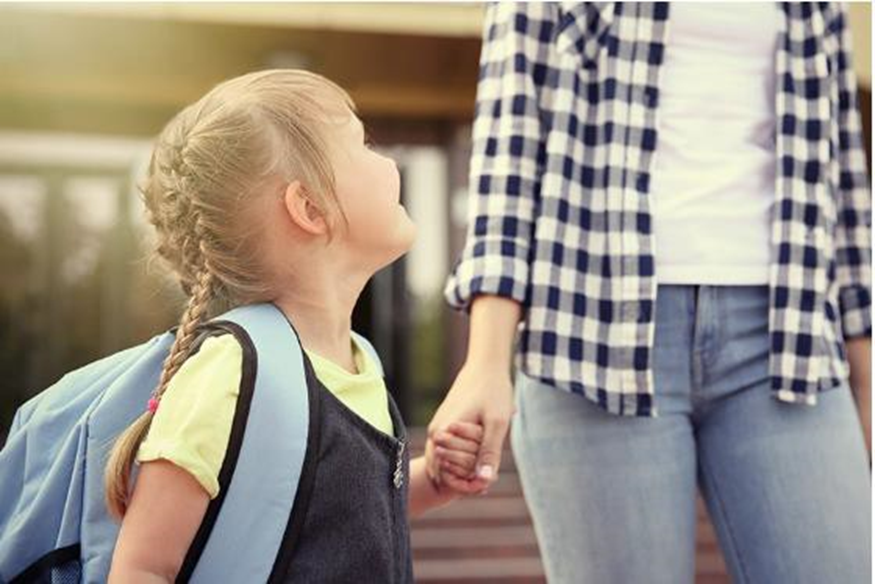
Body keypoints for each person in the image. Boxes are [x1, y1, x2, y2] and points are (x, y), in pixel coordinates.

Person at [428, 3, 872, 583]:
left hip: (788, 337)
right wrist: (485, 362)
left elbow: (845, 177)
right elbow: (510, 147)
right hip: (592, 333)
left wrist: (865, 370)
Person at [105, 69, 487, 583]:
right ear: (309, 208)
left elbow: (336, 519)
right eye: (363, 144)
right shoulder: (231, 374)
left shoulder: (356, 360)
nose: (389, 161)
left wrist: (432, 481)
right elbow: (144, 567)